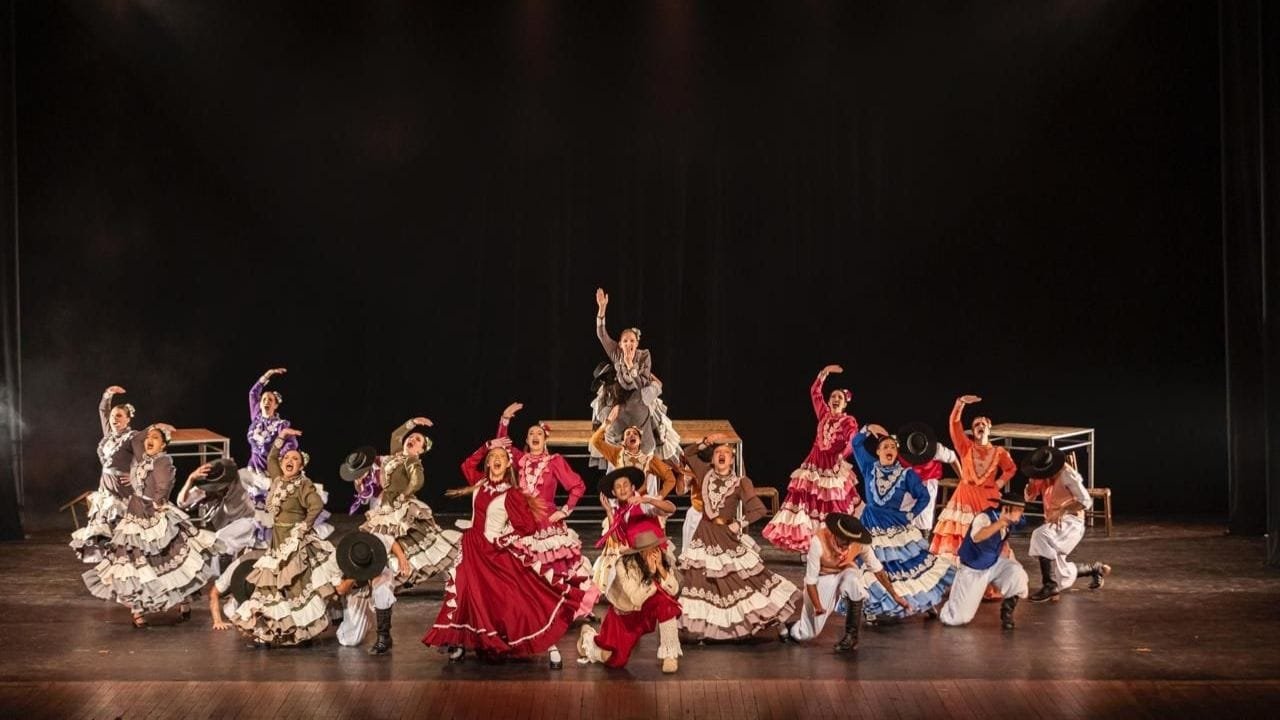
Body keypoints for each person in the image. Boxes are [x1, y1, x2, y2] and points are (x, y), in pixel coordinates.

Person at [422, 439, 586, 668]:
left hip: (495, 552)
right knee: (464, 594)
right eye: (492, 457)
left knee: (517, 598)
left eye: (501, 457)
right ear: (488, 464)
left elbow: (527, 526)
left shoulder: (512, 494)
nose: (496, 460)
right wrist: (487, 445)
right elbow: (467, 465)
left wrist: (504, 539)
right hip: (472, 548)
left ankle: (549, 644)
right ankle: (459, 641)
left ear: (509, 464)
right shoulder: (479, 484)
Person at [340, 417, 461, 654]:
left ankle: (455, 622)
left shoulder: (411, 461)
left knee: (441, 555)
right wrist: (412, 422)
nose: (412, 440)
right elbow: (396, 436)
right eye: (412, 438)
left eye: (418, 441)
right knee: (379, 573)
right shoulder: (394, 455)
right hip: (384, 512)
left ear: (421, 451)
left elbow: (418, 481)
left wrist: (405, 494)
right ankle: (383, 635)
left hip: (400, 514)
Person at [83, 423, 222, 627]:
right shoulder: (142, 458)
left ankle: (182, 600)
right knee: (134, 562)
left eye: (156, 437)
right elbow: (136, 440)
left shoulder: (163, 460)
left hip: (154, 512)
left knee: (164, 558)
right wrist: (153, 426)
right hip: (135, 511)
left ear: (164, 445)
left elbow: (164, 486)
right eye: (149, 437)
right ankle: (138, 610)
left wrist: (155, 504)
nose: (149, 439)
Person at [677, 436, 800, 641]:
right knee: (702, 582)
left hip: (725, 536)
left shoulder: (740, 482)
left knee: (744, 581)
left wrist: (738, 524)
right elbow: (687, 454)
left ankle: (774, 620)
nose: (722, 455)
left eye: (726, 452)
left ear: (732, 459)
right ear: (712, 460)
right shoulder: (704, 473)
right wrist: (705, 442)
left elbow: (759, 509)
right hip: (704, 535)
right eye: (718, 453)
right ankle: (705, 630)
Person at [232, 429, 343, 647]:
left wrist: (304, 526)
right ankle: (274, 631)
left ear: (302, 466)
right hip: (277, 541)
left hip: (295, 541)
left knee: (296, 587)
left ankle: (302, 633)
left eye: (296, 459)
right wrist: (282, 436)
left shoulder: (303, 484)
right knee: (272, 587)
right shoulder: (277, 478)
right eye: (288, 458)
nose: (290, 461)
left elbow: (316, 505)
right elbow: (272, 456)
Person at [494, 403, 598, 618]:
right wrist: (505, 420)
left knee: (554, 566)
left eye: (539, 433)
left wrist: (565, 510)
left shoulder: (554, 461)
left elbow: (577, 486)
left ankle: (563, 607)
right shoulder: (520, 460)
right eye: (531, 433)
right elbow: (501, 447)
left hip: (545, 521)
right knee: (522, 565)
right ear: (526, 440)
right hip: (521, 520)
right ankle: (528, 609)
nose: (534, 435)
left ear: (544, 439)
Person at [850, 425, 955, 620]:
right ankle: (872, 607)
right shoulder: (868, 466)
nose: (889, 449)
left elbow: (923, 496)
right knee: (871, 565)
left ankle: (924, 601)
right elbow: (855, 443)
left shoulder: (906, 474)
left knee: (905, 565)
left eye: (893, 447)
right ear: (878, 451)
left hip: (895, 523)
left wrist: (911, 514)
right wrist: (867, 429)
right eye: (885, 446)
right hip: (871, 522)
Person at [763, 365, 861, 553]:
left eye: (839, 398)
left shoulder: (849, 421)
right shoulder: (823, 414)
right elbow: (815, 392)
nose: (835, 399)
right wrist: (824, 374)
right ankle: (808, 546)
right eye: (833, 396)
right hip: (814, 464)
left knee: (831, 506)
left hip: (832, 466)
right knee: (807, 504)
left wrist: (842, 455)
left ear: (845, 404)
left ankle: (832, 545)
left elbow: (852, 440)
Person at [779, 513, 908, 653]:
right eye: (845, 540)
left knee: (854, 582)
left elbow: (877, 569)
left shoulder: (859, 543)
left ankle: (851, 637)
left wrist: (894, 595)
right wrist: (817, 607)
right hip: (822, 577)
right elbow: (810, 581)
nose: (848, 545)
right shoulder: (818, 541)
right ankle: (791, 628)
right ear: (835, 534)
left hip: (845, 571)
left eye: (851, 541)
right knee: (808, 633)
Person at [578, 527, 682, 673]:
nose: (654, 553)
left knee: (666, 604)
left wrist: (660, 569)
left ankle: (670, 655)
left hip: (645, 610)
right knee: (615, 660)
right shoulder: (623, 565)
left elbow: (674, 590)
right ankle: (588, 639)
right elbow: (636, 599)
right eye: (649, 549)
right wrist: (651, 574)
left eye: (655, 548)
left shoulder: (661, 561)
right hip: (625, 616)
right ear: (640, 551)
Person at [594, 287, 681, 460]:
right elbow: (602, 335)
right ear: (620, 344)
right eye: (625, 341)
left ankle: (656, 437)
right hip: (621, 396)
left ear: (637, 342)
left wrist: (631, 367)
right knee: (611, 422)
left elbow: (642, 385)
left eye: (632, 341)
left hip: (640, 394)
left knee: (652, 416)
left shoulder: (643, 356)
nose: (629, 344)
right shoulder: (616, 353)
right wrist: (602, 309)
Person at [930, 396, 1017, 559]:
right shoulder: (966, 447)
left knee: (987, 534)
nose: (980, 426)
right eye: (976, 424)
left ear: (989, 428)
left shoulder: (999, 452)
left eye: (983, 424)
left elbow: (1011, 468)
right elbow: (954, 425)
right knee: (962, 534)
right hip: (965, 496)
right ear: (973, 430)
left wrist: (998, 483)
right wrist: (959, 404)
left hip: (986, 498)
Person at [1023, 447, 1111, 602]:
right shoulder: (1041, 474)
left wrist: (1063, 509)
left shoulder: (1066, 474)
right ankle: (1095, 569)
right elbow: (1030, 498)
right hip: (1054, 522)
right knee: (1061, 576)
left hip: (1072, 521)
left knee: (1039, 535)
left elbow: (1086, 501)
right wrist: (1031, 481)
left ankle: (1049, 586)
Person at [939, 494, 1029, 629]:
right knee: (958, 618)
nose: (1020, 513)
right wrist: (1001, 523)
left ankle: (1007, 612)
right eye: (1018, 510)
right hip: (973, 569)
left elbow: (1024, 523)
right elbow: (977, 536)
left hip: (993, 563)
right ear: (1006, 508)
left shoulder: (1013, 521)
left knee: (1017, 574)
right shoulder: (984, 518)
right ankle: (952, 605)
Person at [71, 385, 137, 564]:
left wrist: (134, 475)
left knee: (124, 527)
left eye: (119, 416)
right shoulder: (109, 435)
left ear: (128, 419)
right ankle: (114, 565)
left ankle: (130, 564)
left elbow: (148, 459)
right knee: (104, 527)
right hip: (106, 487)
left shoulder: (133, 437)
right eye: (113, 416)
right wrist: (108, 394)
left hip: (123, 488)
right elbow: (103, 410)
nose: (114, 419)